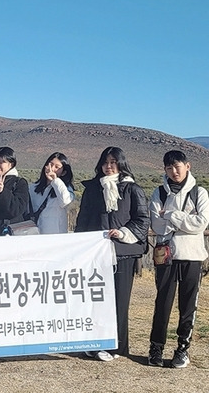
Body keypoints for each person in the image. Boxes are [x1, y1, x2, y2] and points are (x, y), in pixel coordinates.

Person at [74, 146, 149, 361]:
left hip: (123, 254)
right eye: (105, 162)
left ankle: (117, 347)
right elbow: (83, 220)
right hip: (96, 254)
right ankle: (95, 342)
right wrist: (81, 243)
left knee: (119, 301)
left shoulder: (132, 189)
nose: (109, 166)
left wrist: (124, 233)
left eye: (113, 162)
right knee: (95, 300)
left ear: (121, 164)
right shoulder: (92, 189)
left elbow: (142, 220)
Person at [147, 150, 209, 368]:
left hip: (192, 257)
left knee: (188, 304)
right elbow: (156, 225)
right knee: (162, 303)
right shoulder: (158, 194)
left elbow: (200, 224)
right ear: (164, 169)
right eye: (169, 168)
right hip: (166, 256)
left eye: (178, 166)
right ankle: (156, 347)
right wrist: (184, 221)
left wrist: (171, 215)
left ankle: (183, 349)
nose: (174, 171)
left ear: (188, 166)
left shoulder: (199, 193)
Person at [28, 152, 75, 234]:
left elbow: (65, 201)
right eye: (50, 164)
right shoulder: (33, 188)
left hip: (55, 236)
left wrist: (55, 181)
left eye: (57, 167)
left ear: (63, 172)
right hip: (35, 234)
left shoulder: (66, 188)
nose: (52, 169)